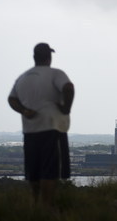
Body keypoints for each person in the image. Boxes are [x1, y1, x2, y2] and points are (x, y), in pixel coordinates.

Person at [7, 43, 74, 205]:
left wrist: (24, 110)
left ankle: (36, 205)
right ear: (49, 57)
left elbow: (11, 99)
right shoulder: (55, 74)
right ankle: (47, 208)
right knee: (50, 172)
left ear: (34, 57)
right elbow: (68, 88)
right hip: (52, 128)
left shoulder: (23, 77)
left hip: (29, 131)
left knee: (33, 172)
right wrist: (66, 108)